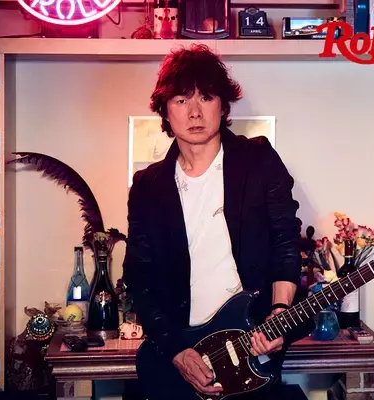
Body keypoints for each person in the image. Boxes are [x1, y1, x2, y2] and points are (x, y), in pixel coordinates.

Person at [122, 44, 311, 400]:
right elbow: (139, 277)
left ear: (223, 106)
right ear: (165, 110)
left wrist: (279, 311)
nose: (194, 112)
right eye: (181, 100)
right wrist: (176, 351)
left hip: (249, 348)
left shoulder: (258, 160)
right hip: (180, 353)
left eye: (206, 98)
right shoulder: (147, 186)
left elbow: (285, 241)